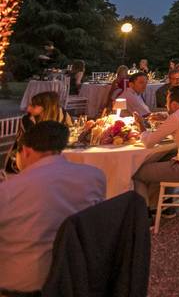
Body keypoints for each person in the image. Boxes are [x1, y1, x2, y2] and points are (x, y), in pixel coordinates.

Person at [0, 121, 106, 294]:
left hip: (24, 284)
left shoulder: (9, 190)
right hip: (77, 276)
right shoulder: (95, 177)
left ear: (26, 151)